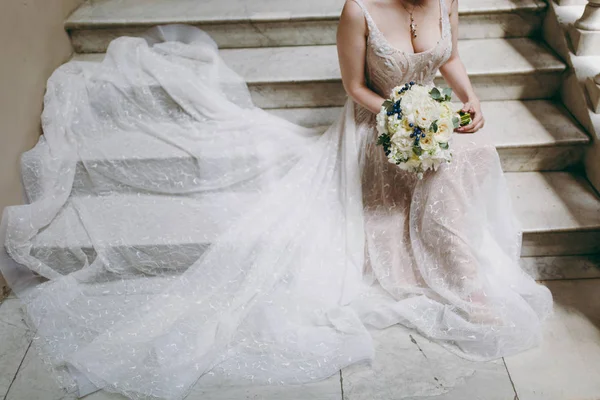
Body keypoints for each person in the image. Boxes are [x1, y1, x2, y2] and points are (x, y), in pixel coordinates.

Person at [0, 1, 552, 399]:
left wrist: (470, 99)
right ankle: (456, 275)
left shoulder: (448, 0)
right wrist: (396, 115)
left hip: (426, 117)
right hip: (375, 124)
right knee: (442, 167)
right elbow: (354, 87)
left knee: (471, 151)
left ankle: (449, 252)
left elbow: (450, 58)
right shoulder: (357, 10)